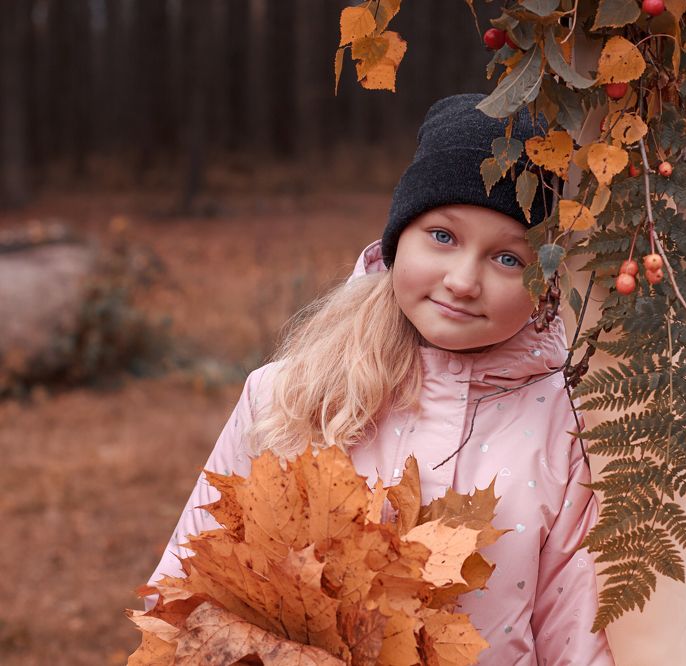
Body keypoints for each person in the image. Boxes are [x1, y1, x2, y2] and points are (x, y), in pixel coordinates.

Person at [145, 93, 617, 664]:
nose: (464, 280)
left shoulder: (570, 430)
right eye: (443, 236)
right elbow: (188, 588)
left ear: (546, 280)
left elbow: (578, 634)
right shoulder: (287, 395)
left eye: (509, 259)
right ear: (398, 242)